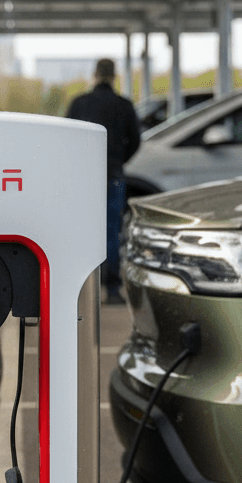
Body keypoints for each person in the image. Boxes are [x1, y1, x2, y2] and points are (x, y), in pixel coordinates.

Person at [66, 59, 140, 304]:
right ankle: (112, 288)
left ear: (95, 74)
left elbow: (67, 138)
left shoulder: (79, 104)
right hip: (113, 175)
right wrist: (119, 161)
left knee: (81, 230)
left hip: (84, 176)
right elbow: (136, 141)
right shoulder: (124, 105)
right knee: (111, 230)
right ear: (114, 76)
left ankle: (82, 289)